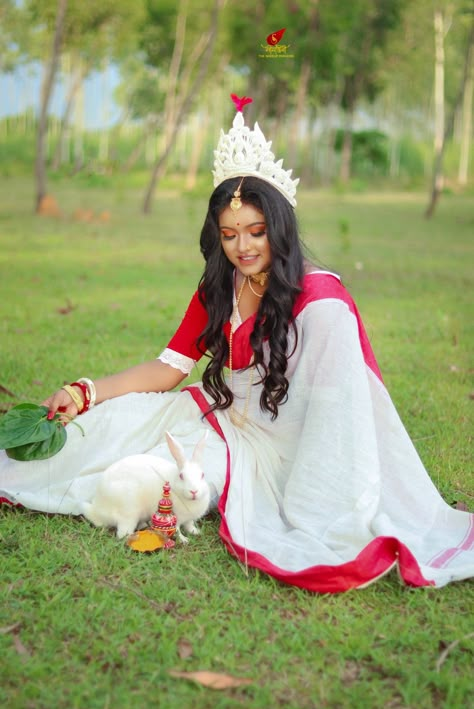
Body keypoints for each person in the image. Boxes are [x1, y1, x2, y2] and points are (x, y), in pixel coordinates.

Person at [1, 95, 473, 593]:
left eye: (256, 232)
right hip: (213, 415)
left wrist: (316, 490)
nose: (242, 247)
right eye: (229, 235)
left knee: (159, 475)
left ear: (280, 228)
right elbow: (168, 368)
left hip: (279, 446)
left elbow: (341, 416)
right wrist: (85, 393)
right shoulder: (219, 286)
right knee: (102, 430)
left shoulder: (322, 300)